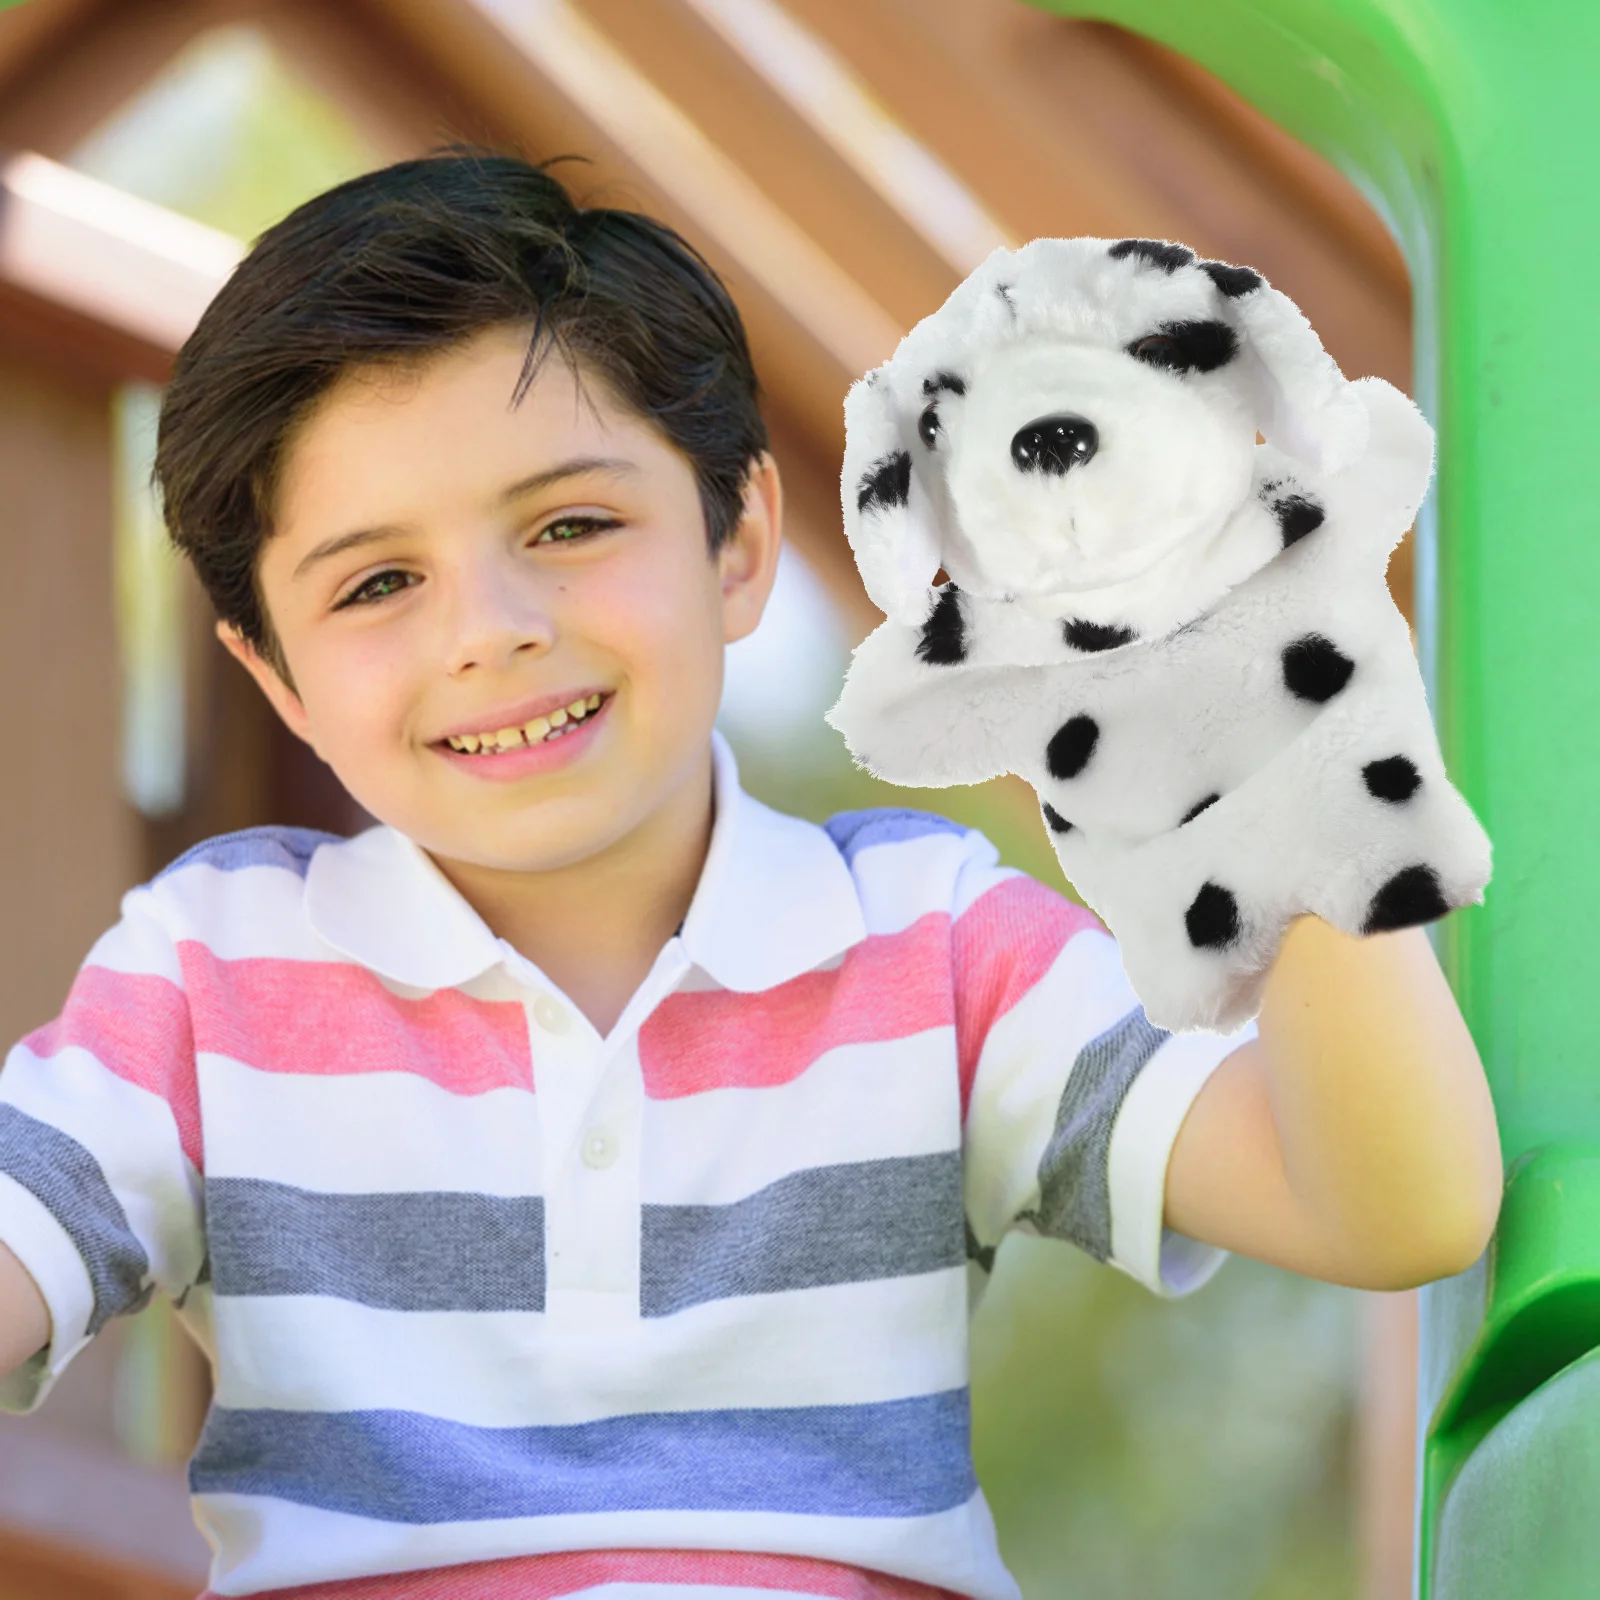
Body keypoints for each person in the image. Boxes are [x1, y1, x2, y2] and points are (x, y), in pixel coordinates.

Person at [0, 153, 1501, 1600]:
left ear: (739, 545)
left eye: (571, 525)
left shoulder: (930, 945)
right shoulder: (208, 980)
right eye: (380, 583)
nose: (493, 627)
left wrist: (1287, 729)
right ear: (277, 676)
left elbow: (1388, 1209)